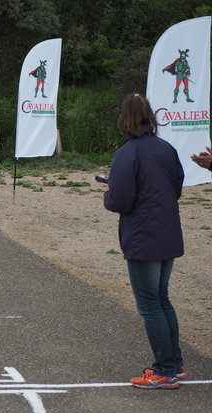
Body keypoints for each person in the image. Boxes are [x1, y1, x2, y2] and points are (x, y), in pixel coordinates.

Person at [103, 93, 185, 389]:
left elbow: (121, 200)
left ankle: (164, 370)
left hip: (143, 237)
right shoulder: (166, 148)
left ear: (124, 119)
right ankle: (174, 362)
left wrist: (107, 194)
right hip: (167, 232)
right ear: (150, 116)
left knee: (149, 304)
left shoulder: (128, 152)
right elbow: (176, 186)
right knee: (161, 298)